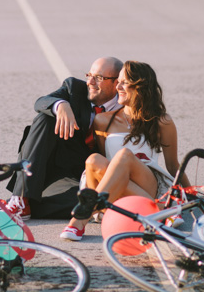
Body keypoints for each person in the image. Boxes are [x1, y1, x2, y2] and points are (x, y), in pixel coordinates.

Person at [60, 60, 185, 241]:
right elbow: (106, 164)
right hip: (113, 192)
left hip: (148, 185)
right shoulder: (102, 121)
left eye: (123, 82)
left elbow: (173, 166)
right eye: (117, 81)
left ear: (140, 87)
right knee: (93, 160)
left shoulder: (161, 121)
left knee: (124, 156)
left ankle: (78, 222)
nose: (117, 86)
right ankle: (161, 211)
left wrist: (193, 197)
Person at [6, 57, 124, 220]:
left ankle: (22, 205)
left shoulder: (126, 106)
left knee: (88, 201)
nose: (90, 82)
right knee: (45, 118)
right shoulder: (74, 88)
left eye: (98, 78)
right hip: (53, 167)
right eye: (89, 75)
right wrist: (60, 105)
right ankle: (20, 198)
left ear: (117, 83)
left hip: (86, 177)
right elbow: (41, 102)